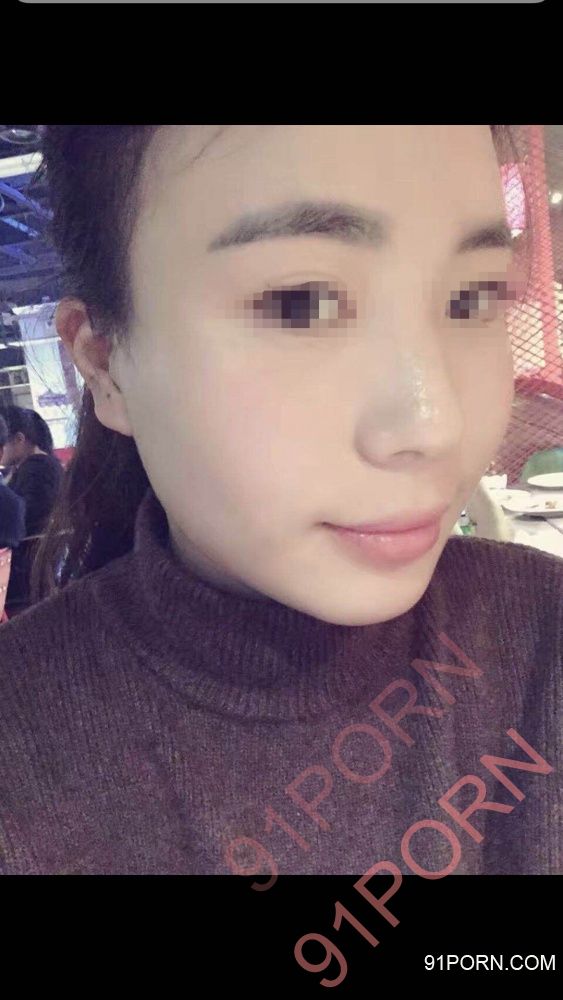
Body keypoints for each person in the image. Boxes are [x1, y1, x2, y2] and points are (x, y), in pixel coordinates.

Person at [0, 125, 561, 876]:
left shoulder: (541, 641)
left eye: (473, 297)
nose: (435, 426)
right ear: (104, 363)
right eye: (301, 303)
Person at [0, 406, 63, 614]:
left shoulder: (38, 470)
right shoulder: (43, 466)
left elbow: (27, 520)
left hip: (24, 573)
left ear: (19, 439)